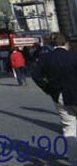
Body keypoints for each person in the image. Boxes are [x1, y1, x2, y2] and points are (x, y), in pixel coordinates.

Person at [32, 33, 77, 166]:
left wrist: (48, 89)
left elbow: (35, 75)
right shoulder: (73, 56)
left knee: (69, 128)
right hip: (75, 94)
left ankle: (74, 160)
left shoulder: (45, 58)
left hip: (59, 96)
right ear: (66, 43)